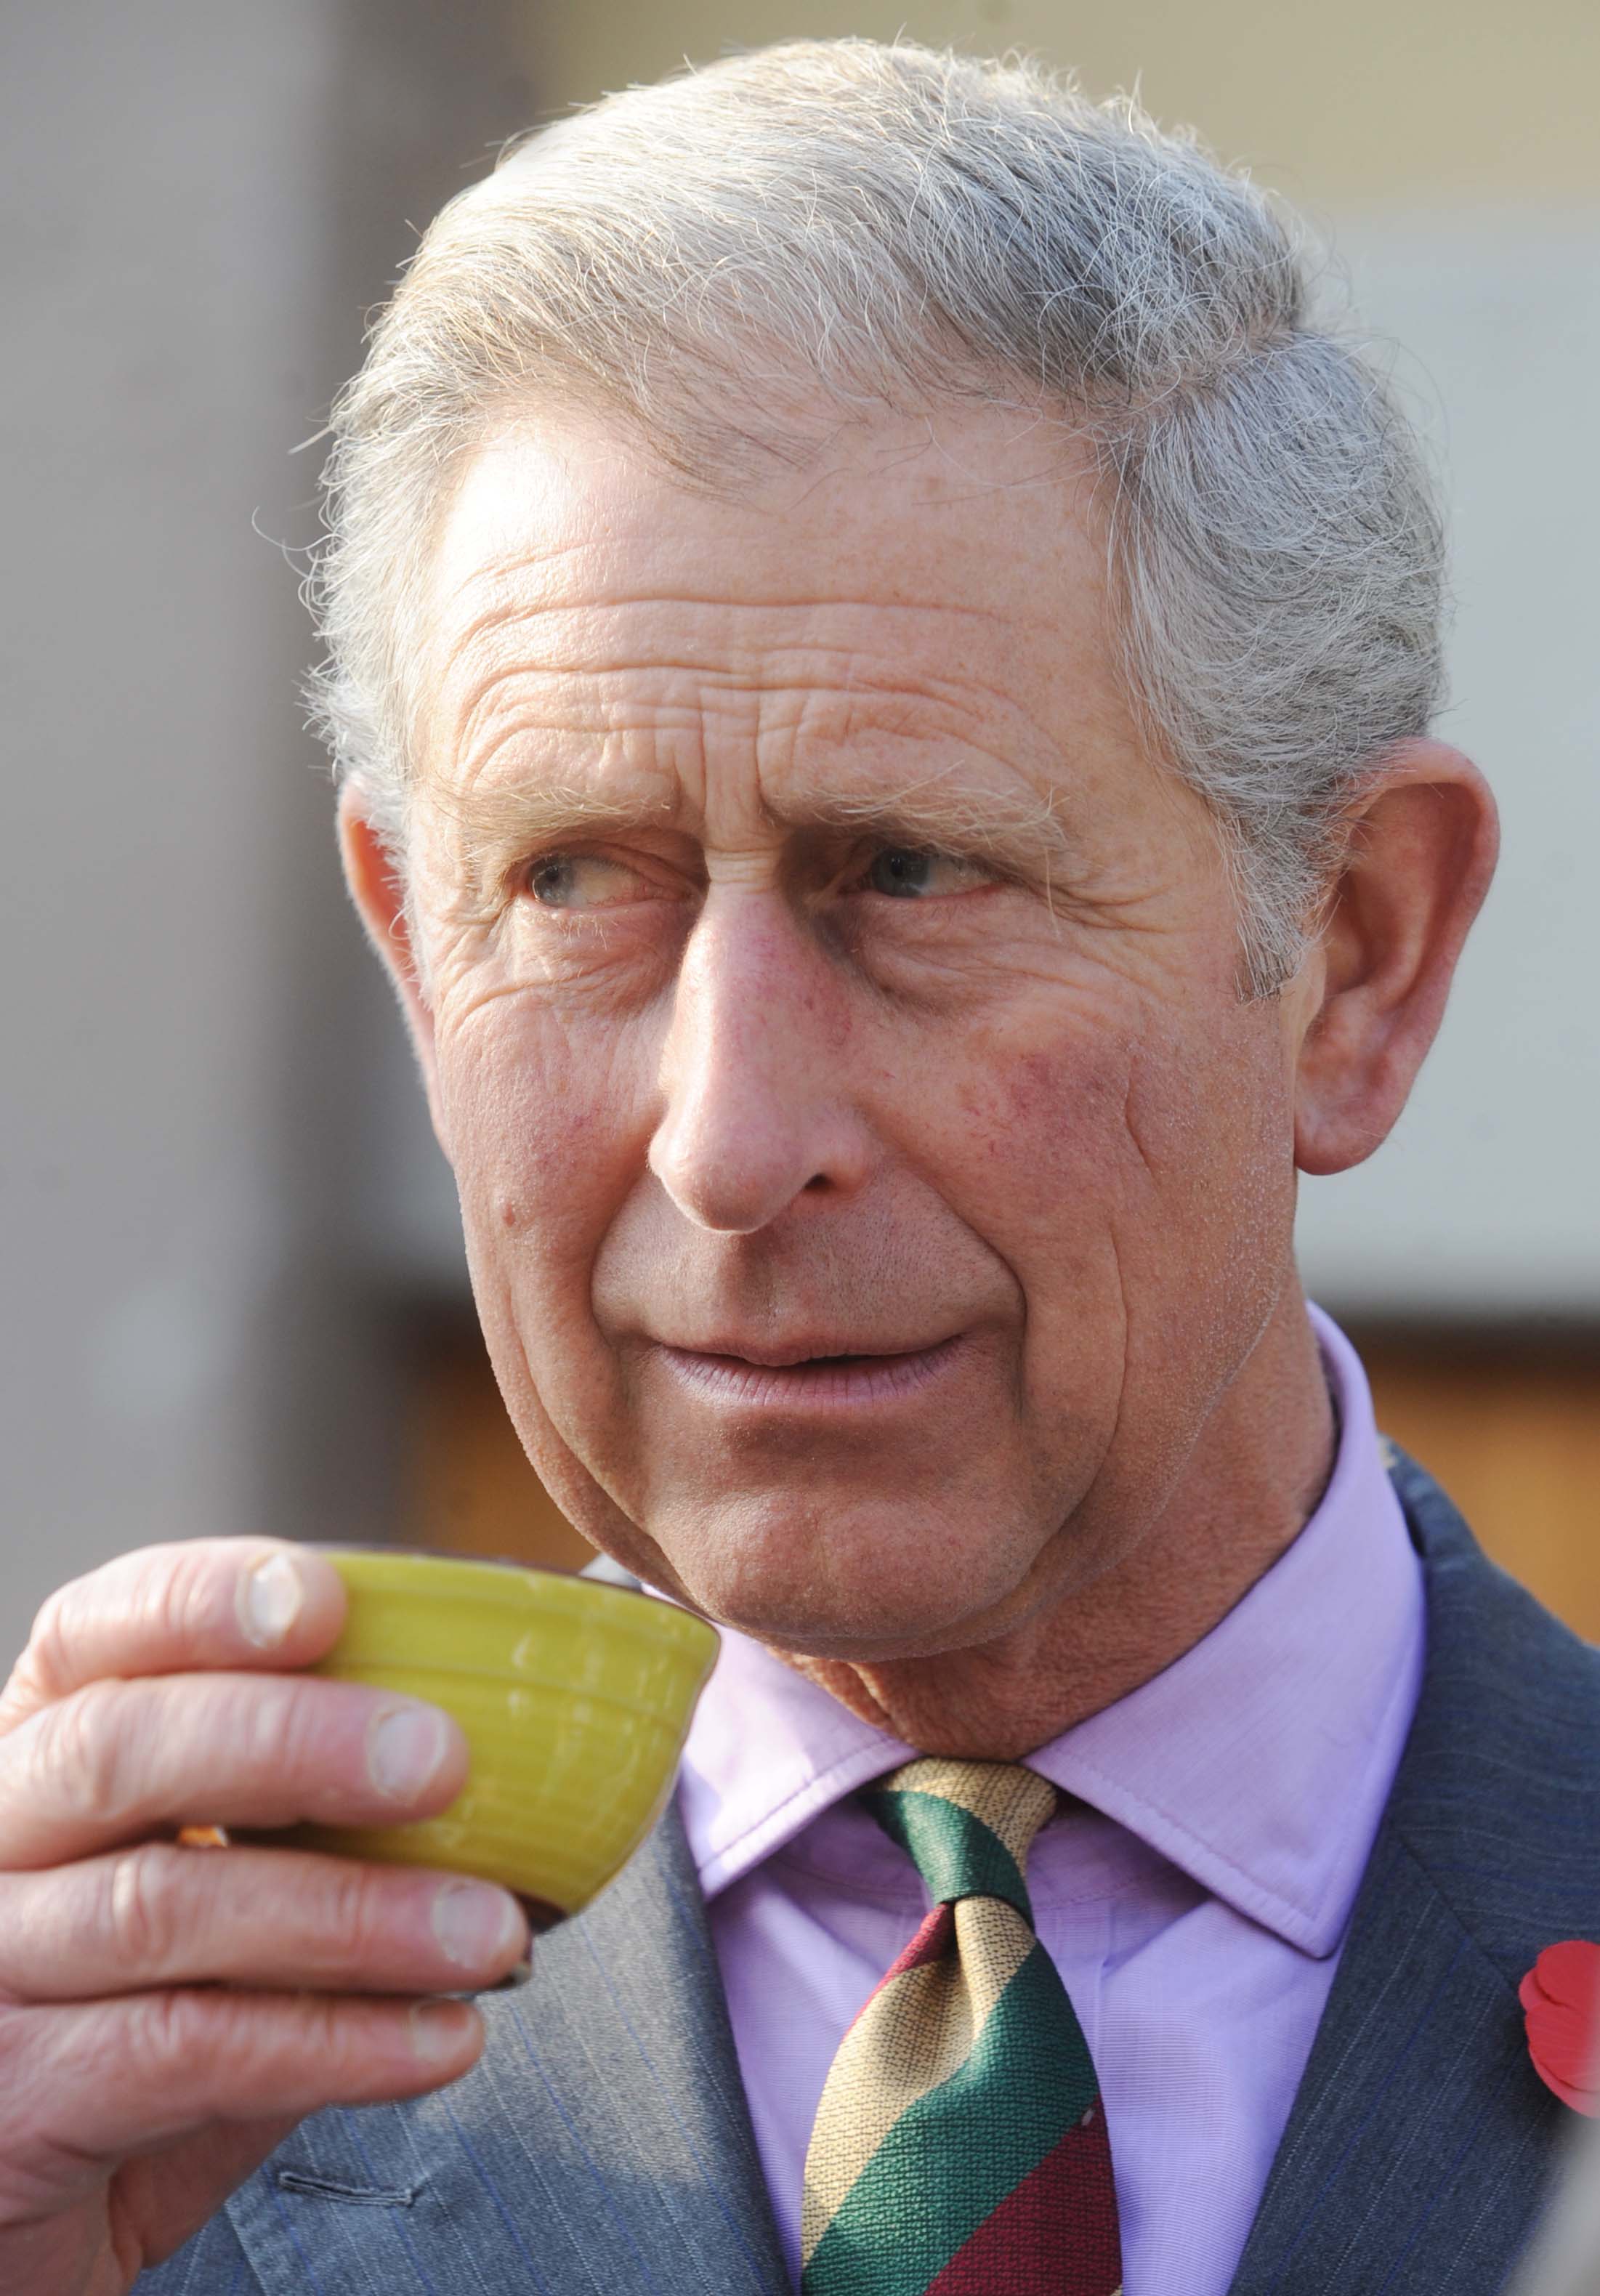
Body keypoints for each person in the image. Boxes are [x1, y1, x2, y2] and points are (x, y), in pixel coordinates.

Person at [1, 39, 1593, 2296]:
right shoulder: (103, 2108)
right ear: (414, 959)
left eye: (915, 871)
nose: (729, 1140)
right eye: (570, 884)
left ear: (1351, 956)